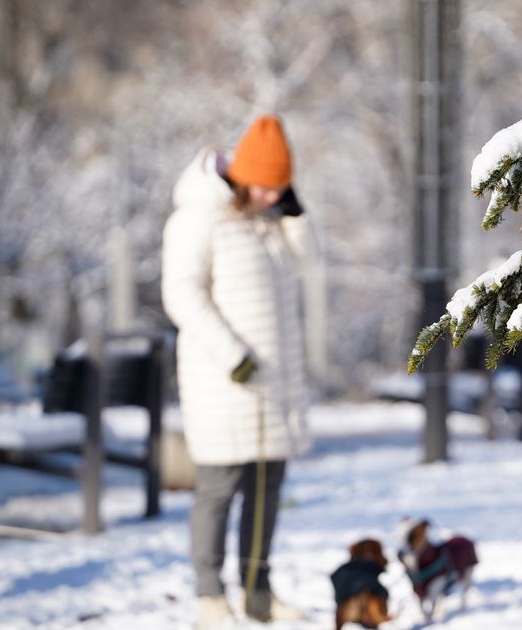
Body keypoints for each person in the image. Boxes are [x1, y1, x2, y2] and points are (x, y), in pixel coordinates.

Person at [162, 115, 312, 629]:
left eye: (281, 186)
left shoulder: (270, 218)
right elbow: (181, 293)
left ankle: (257, 593)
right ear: (243, 174)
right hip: (223, 380)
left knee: (268, 486)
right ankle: (210, 595)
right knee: (219, 488)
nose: (273, 195)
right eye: (267, 185)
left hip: (274, 383)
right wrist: (234, 357)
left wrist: (293, 215)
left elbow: (307, 267)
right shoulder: (198, 218)